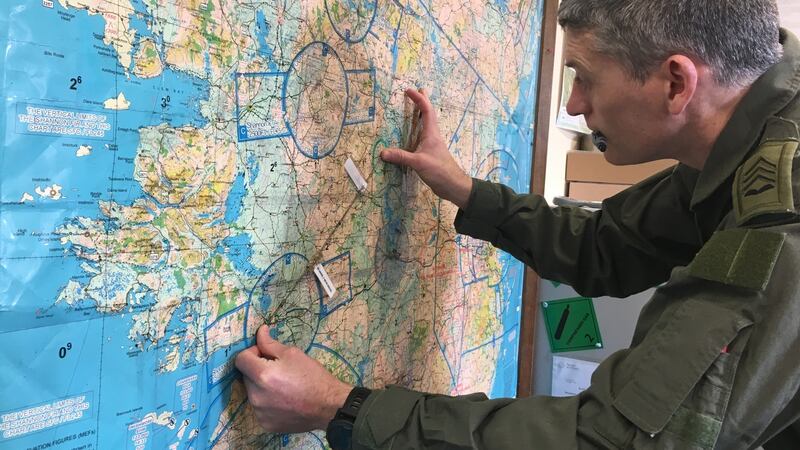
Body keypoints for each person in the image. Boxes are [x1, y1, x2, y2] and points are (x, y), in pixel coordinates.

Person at [236, 0, 800, 447]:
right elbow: (609, 246)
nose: (575, 105)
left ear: (677, 83)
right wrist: (465, 190)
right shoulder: (748, 136)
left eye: (583, 76)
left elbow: (623, 442)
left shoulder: (782, 212)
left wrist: (341, 409)